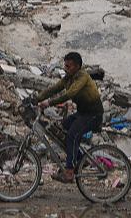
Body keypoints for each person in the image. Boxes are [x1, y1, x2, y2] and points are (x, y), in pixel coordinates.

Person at [32, 51, 104, 183]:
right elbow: (53, 89)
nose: (65, 69)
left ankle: (70, 172)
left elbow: (71, 93)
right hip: (82, 113)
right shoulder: (68, 78)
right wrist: (36, 98)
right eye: (65, 66)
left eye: (68, 66)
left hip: (94, 115)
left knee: (72, 135)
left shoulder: (82, 77)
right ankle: (81, 160)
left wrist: (49, 103)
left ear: (77, 66)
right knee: (64, 128)